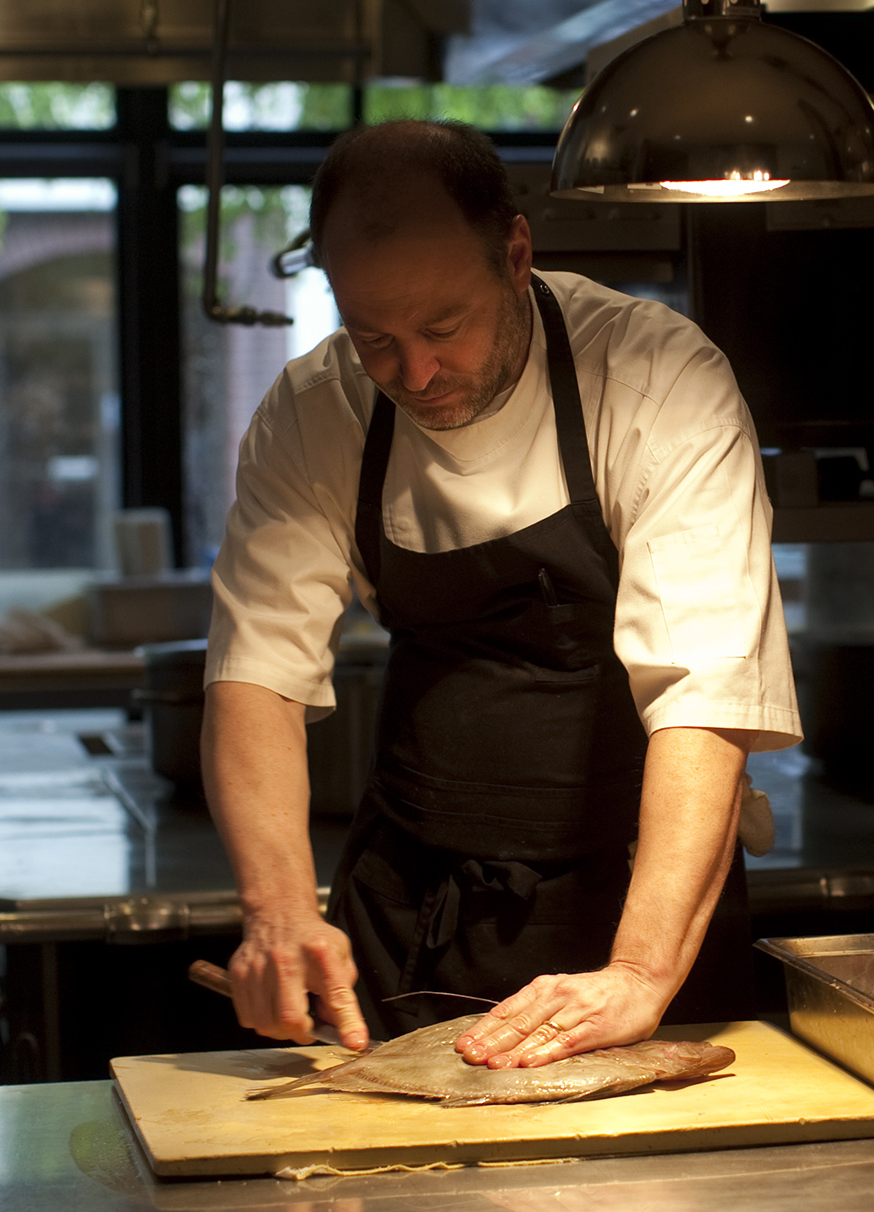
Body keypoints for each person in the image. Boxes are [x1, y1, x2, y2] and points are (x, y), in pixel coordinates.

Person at [200, 118, 800, 1069]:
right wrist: (276, 916)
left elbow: (707, 697)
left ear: (517, 255)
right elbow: (255, 678)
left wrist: (641, 972)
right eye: (374, 339)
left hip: (635, 900)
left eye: (444, 327)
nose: (417, 373)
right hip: (412, 906)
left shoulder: (655, 381)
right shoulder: (316, 413)